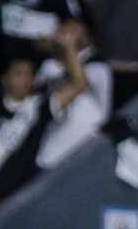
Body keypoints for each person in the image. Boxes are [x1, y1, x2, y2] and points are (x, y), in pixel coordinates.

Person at [0, 38, 86, 202]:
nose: (26, 79)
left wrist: (68, 46)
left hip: (8, 201)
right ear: (4, 79)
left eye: (30, 74)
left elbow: (79, 84)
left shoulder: (39, 107)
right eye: (19, 74)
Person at [34, 18, 112, 171]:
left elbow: (81, 82)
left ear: (86, 40)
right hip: (54, 149)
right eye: (64, 29)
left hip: (90, 145)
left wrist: (68, 46)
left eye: (73, 31)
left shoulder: (97, 66)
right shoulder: (49, 67)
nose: (65, 34)